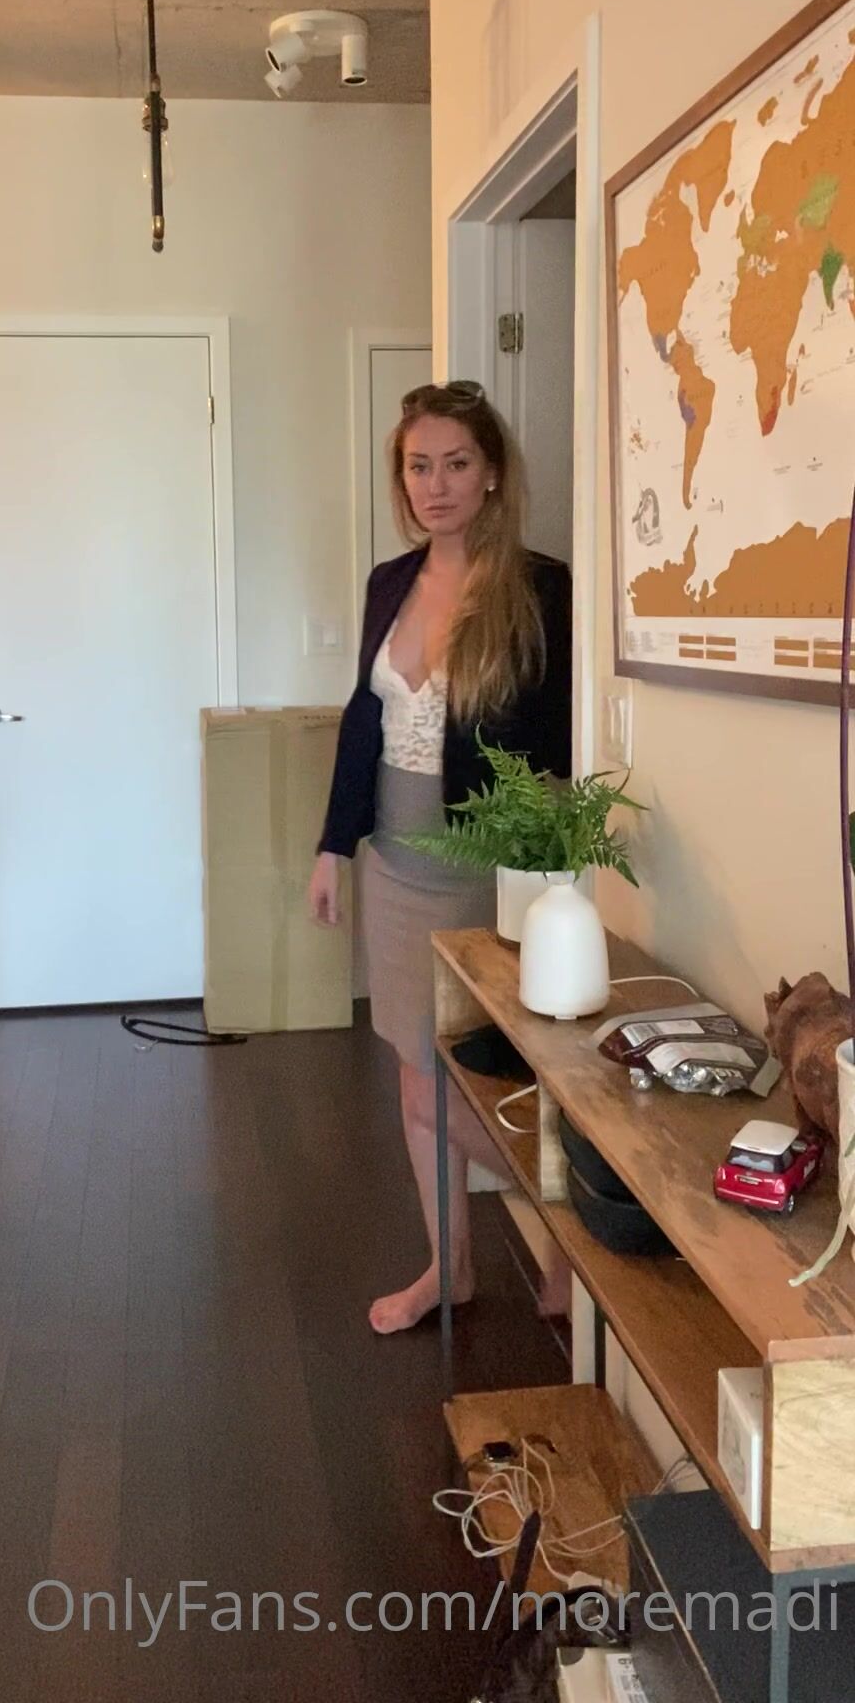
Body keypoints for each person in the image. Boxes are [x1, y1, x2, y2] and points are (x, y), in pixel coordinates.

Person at [309, 380, 572, 1334]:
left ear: (491, 472)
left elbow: (559, 742)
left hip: (487, 871)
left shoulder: (539, 587)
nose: (436, 484)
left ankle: (571, 1220)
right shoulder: (390, 582)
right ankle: (449, 1267)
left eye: (456, 463)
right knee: (415, 1081)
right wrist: (333, 847)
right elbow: (363, 723)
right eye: (419, 466)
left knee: (481, 1074)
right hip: (393, 864)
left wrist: (551, 862)